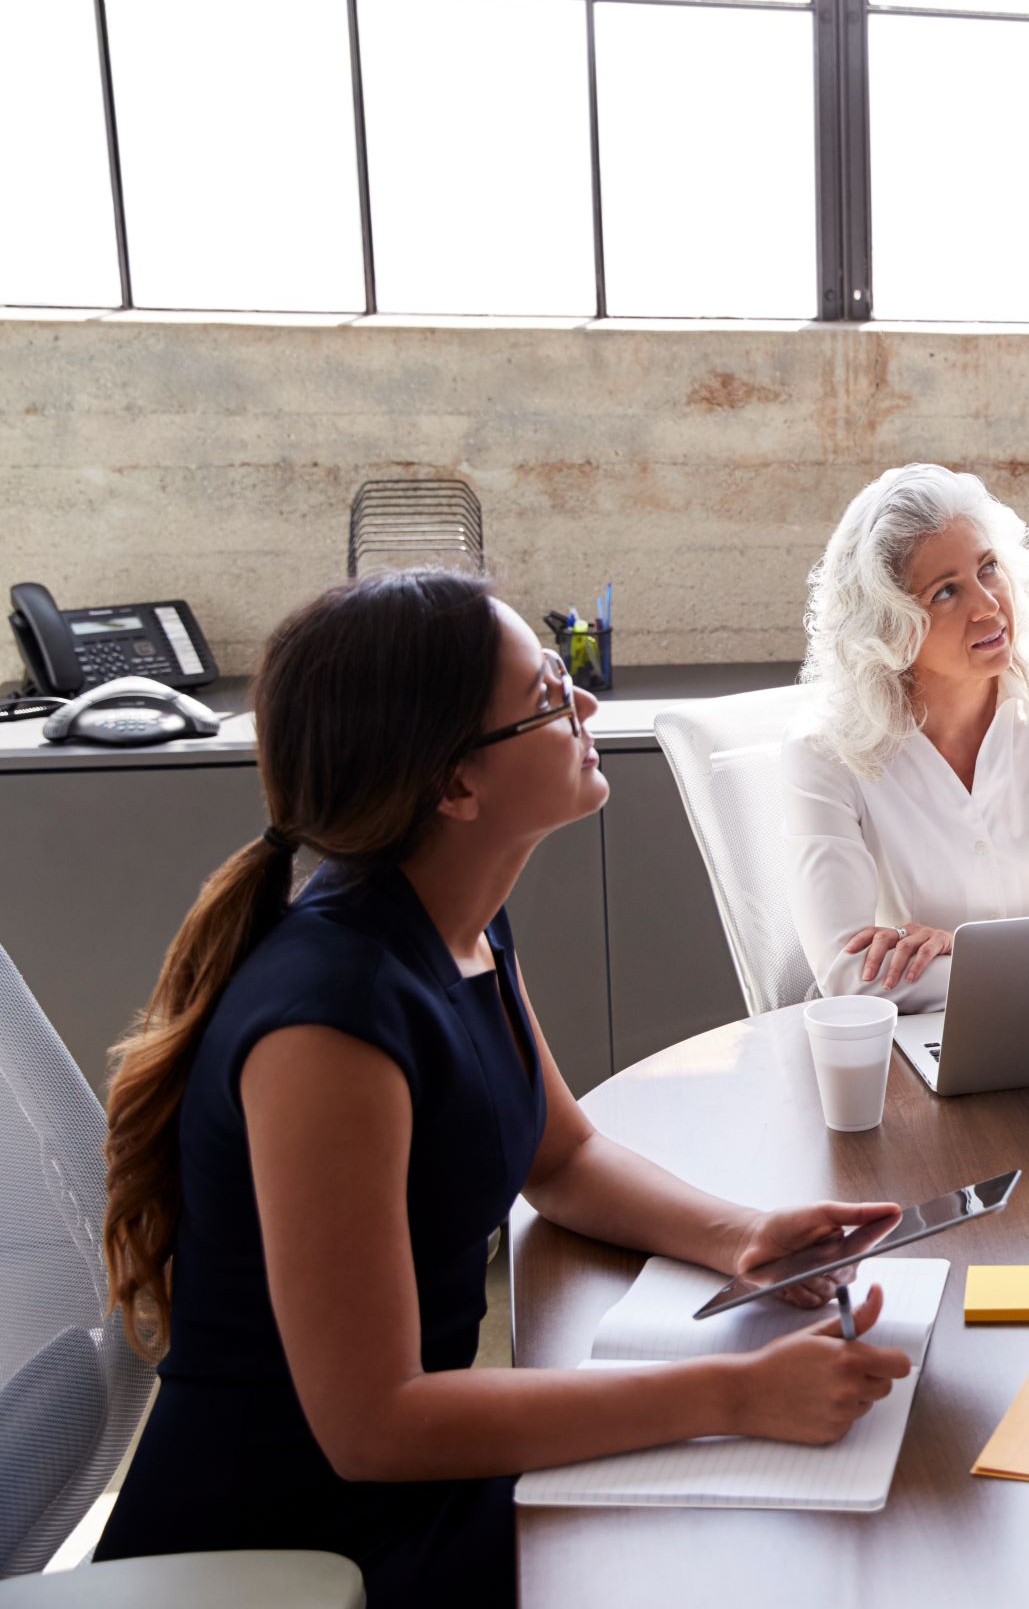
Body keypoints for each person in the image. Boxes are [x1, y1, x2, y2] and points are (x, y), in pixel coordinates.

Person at [95, 572, 913, 1606]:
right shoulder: (328, 1024)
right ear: (453, 788)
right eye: (544, 697)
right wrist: (733, 1393)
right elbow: (371, 1426)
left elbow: (558, 1157)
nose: (586, 707)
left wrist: (740, 1237)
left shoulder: (455, 921)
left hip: (416, 1477)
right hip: (297, 1546)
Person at [784, 463, 1029, 1009]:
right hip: (913, 1060)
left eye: (988, 568)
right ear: (890, 625)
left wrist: (969, 955)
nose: (988, 605)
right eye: (946, 592)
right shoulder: (825, 754)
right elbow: (849, 975)